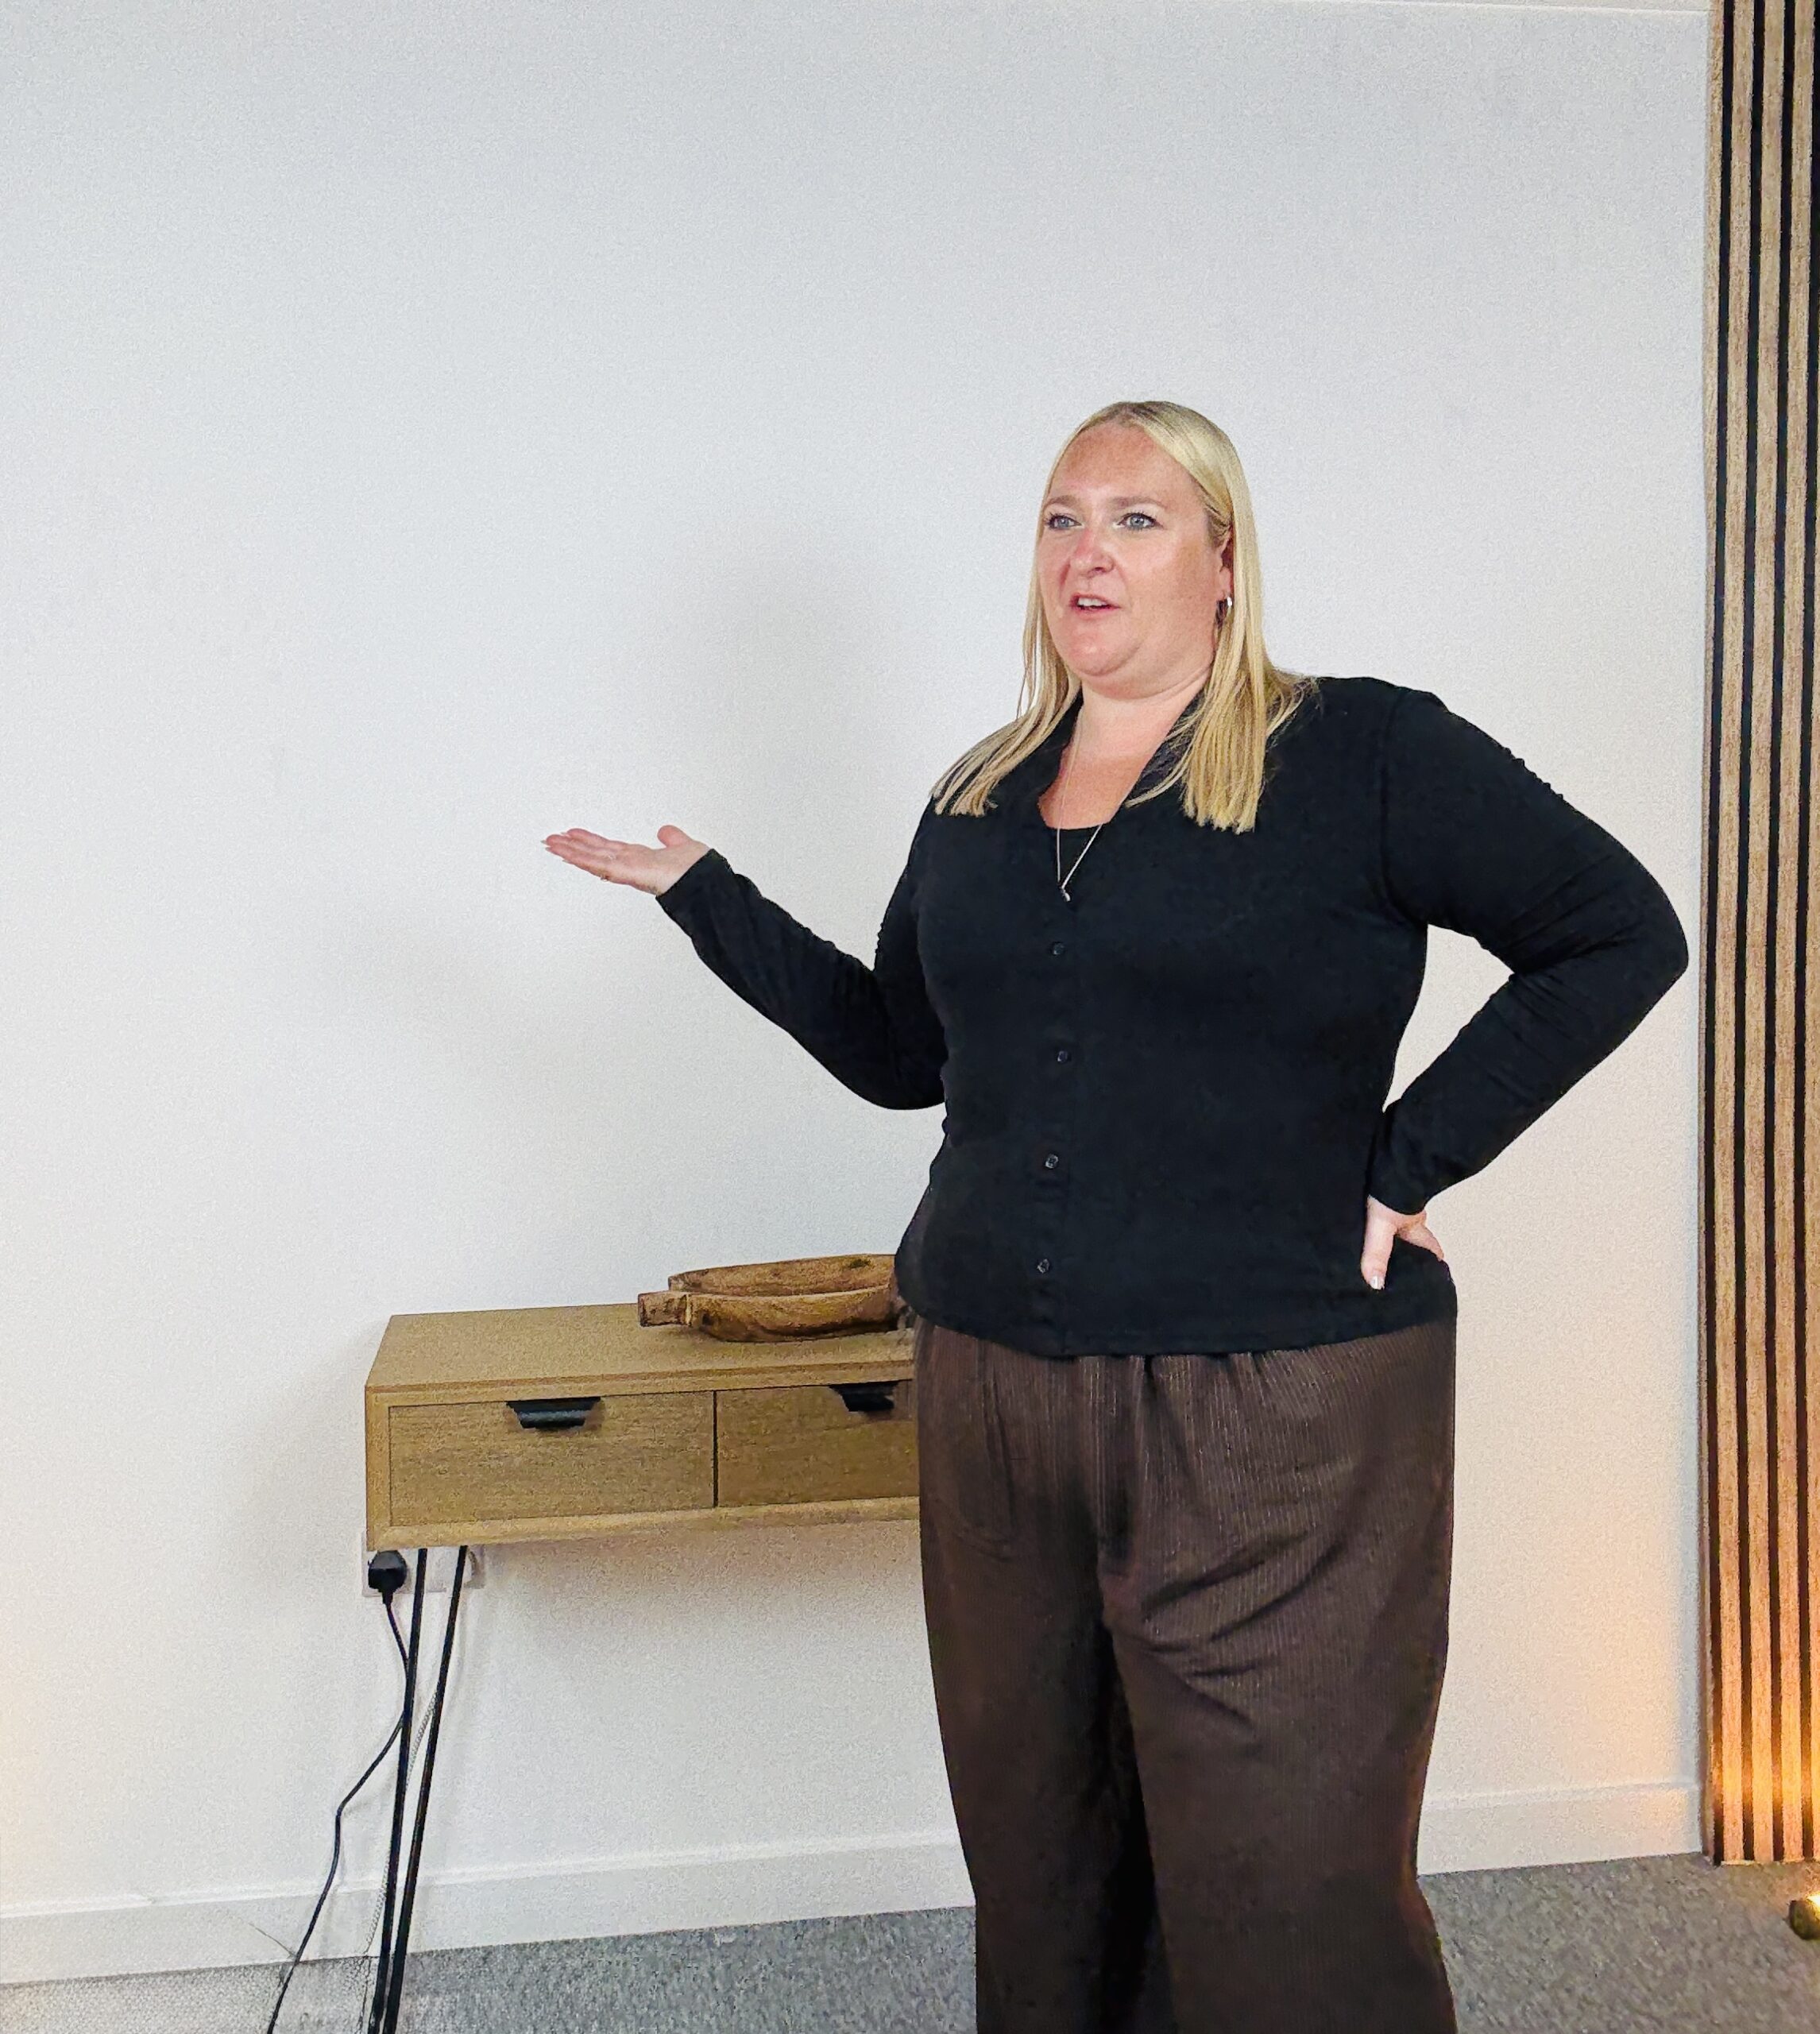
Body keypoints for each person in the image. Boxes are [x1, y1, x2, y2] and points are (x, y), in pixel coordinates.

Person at [543, 398, 1689, 2033]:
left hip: (1270, 1403)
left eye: (1140, 519)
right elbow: (902, 1053)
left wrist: (1408, 1156)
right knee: (1047, 1856)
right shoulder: (984, 791)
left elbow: (1617, 931)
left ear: (1223, 560)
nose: (1091, 550)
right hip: (997, 1384)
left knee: (1285, 1878)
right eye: (1063, 517)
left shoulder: (1360, 753)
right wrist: (708, 900)